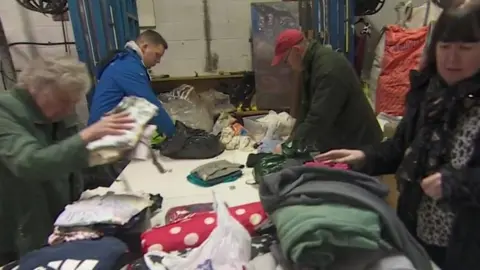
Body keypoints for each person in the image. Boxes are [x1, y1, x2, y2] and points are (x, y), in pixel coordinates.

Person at [316, 2, 480, 269]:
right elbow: (401, 147)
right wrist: (363, 156)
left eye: (465, 48)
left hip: (466, 247)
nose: (452, 58)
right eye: (445, 46)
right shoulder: (428, 94)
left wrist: (456, 184)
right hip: (416, 230)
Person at [0, 56, 134, 263]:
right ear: (37, 89)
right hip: (18, 228)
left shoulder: (58, 116)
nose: (69, 110)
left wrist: (118, 151)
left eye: (74, 103)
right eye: (64, 102)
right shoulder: (5, 113)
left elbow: (82, 163)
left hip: (58, 223)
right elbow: (30, 164)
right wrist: (87, 136)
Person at [271, 29, 382, 153]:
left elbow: (319, 117)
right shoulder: (310, 65)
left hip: (360, 145)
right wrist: (291, 141)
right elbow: (305, 110)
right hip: (343, 140)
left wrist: (290, 146)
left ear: (297, 50)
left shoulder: (328, 69)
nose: (289, 65)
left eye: (286, 60)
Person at [88, 29, 175, 137]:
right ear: (144, 47)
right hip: (102, 136)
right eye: (157, 55)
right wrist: (174, 134)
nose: (158, 61)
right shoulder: (128, 67)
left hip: (106, 129)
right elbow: (149, 105)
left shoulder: (127, 62)